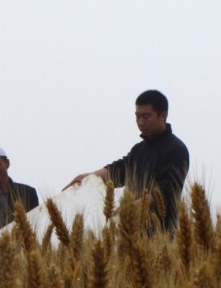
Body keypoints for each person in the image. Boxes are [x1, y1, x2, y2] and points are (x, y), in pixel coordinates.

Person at [65, 90, 189, 231]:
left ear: (163, 115)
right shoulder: (139, 150)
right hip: (132, 234)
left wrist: (126, 210)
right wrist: (89, 177)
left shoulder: (176, 150)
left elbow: (165, 193)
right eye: (137, 116)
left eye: (146, 117)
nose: (140, 122)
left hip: (162, 235)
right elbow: (120, 170)